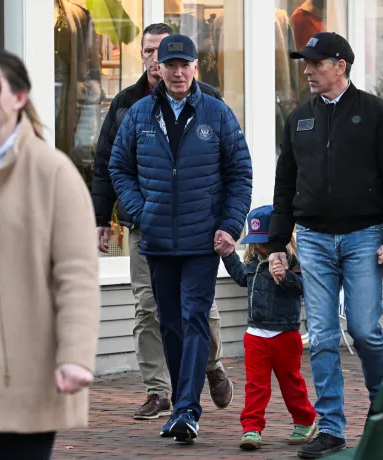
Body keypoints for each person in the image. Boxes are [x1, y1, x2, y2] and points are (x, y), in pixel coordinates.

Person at [268, 31, 383, 458]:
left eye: (316, 63)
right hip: (311, 240)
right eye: (306, 63)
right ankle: (330, 427)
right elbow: (285, 184)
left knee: (365, 331)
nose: (308, 70)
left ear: (340, 66)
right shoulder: (298, 119)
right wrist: (277, 242)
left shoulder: (376, 113)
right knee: (324, 336)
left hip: (364, 237)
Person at [109, 34, 252, 443]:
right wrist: (141, 212)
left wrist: (230, 224)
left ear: (194, 67)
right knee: (169, 323)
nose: (177, 72)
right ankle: (181, 403)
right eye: (169, 65)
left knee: (193, 319)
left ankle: (187, 409)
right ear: (159, 68)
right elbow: (119, 168)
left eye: (184, 65)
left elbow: (240, 173)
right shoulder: (138, 114)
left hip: (201, 239)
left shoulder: (217, 114)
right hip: (156, 240)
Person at [0, 49, 100, 459]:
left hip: (25, 358)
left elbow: (76, 273)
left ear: (19, 96)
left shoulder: (51, 172)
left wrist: (74, 355)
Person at [222, 205, 317, 451]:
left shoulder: (293, 261)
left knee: (291, 382)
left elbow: (303, 289)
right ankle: (251, 428)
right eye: (258, 243)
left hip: (285, 334)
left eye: (267, 241)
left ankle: (305, 421)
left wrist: (286, 276)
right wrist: (228, 254)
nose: (263, 247)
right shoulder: (253, 262)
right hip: (255, 335)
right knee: (256, 385)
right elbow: (243, 278)